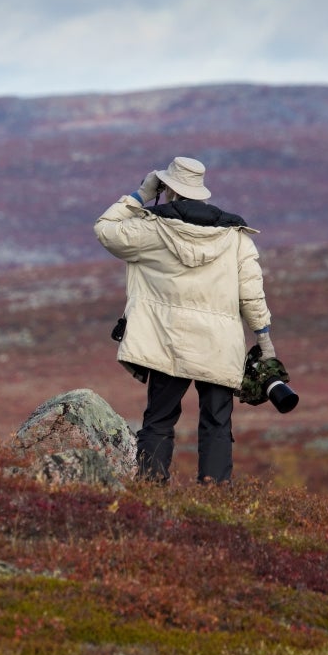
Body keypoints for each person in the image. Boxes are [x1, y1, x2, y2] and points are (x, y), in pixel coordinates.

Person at [94, 156, 275, 484]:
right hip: (221, 345)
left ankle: (151, 491)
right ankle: (216, 495)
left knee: (159, 420)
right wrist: (265, 342)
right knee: (217, 424)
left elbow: (105, 230)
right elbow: (252, 297)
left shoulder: (151, 229)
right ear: (201, 192)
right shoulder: (236, 238)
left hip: (168, 342)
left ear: (169, 189)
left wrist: (140, 194)